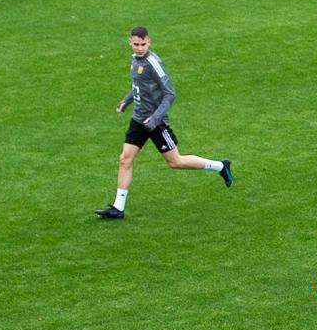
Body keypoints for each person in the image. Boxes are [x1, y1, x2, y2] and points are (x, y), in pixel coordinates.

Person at [95, 26, 233, 220]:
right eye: (136, 44)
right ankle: (118, 208)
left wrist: (155, 118)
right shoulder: (135, 59)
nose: (140, 48)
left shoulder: (154, 63)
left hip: (156, 123)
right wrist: (126, 102)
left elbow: (170, 93)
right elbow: (139, 86)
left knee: (176, 162)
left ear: (149, 42)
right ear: (130, 42)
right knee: (125, 159)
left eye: (143, 44)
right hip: (138, 120)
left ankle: (220, 166)